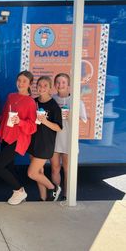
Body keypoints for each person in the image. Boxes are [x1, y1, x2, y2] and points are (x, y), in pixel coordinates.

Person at [0, 70, 37, 205]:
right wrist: (0, 133)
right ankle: (19, 193)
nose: (21, 83)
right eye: (19, 80)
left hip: (18, 139)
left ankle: (19, 190)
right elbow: (4, 116)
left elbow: (32, 127)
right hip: (6, 137)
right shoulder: (11, 96)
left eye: (24, 81)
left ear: (30, 83)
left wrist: (20, 122)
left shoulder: (30, 102)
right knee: (10, 167)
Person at [51, 73, 88, 201]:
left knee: (67, 169)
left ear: (68, 85)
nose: (60, 85)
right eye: (58, 82)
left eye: (63, 82)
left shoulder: (77, 101)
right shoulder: (52, 99)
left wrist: (71, 115)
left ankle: (67, 194)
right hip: (54, 139)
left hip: (69, 139)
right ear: (55, 84)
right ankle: (56, 191)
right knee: (55, 168)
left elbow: (84, 120)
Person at [27, 76, 62, 201]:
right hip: (32, 142)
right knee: (39, 172)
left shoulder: (53, 106)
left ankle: (53, 187)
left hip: (45, 144)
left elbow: (58, 127)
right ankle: (43, 198)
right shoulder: (33, 102)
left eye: (45, 86)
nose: (42, 88)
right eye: (39, 85)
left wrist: (45, 121)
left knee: (32, 173)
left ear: (50, 88)